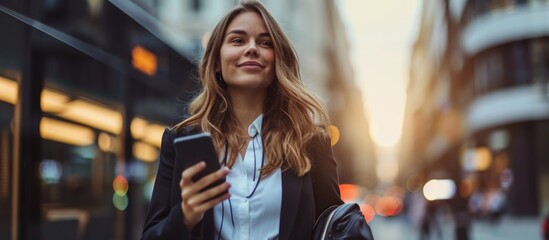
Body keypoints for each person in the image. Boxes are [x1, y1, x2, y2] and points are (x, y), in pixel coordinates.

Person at [141, 1, 343, 239]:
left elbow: (334, 227)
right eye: (238, 40)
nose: (252, 48)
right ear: (216, 61)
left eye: (265, 42)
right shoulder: (181, 142)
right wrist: (185, 215)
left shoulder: (311, 141)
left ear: (278, 60)